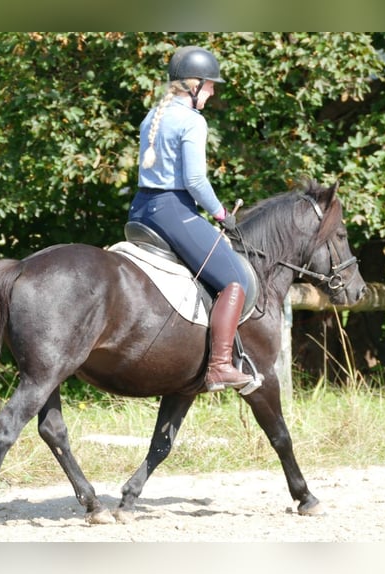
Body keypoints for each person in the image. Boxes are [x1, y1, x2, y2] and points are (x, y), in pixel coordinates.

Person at [128, 45, 254, 392]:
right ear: (195, 85)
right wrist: (221, 213)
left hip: (141, 208)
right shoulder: (192, 122)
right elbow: (196, 181)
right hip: (173, 211)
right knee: (234, 280)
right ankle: (219, 366)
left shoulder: (152, 116)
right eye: (211, 85)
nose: (213, 92)